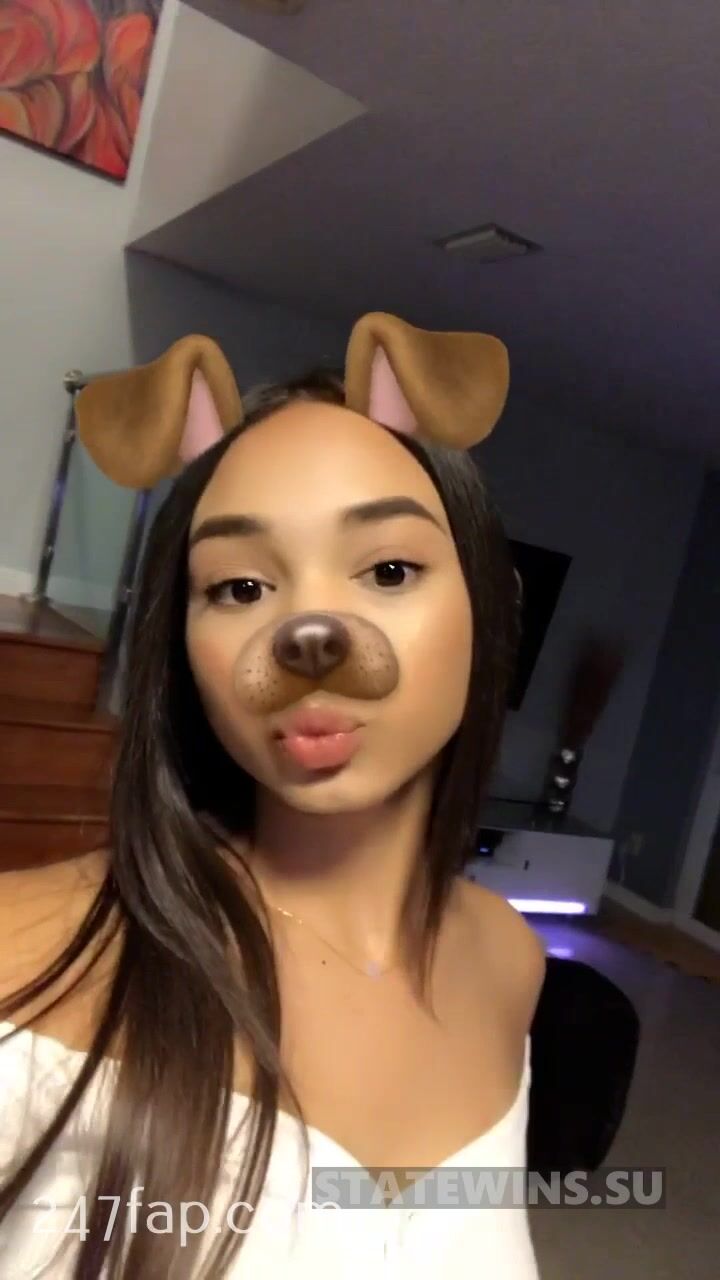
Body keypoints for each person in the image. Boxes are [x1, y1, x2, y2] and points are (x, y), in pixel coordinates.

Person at [0, 313, 545, 1277]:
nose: (309, 634)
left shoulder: (509, 961)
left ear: (487, 605)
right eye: (241, 589)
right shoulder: (24, 952)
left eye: (389, 570)